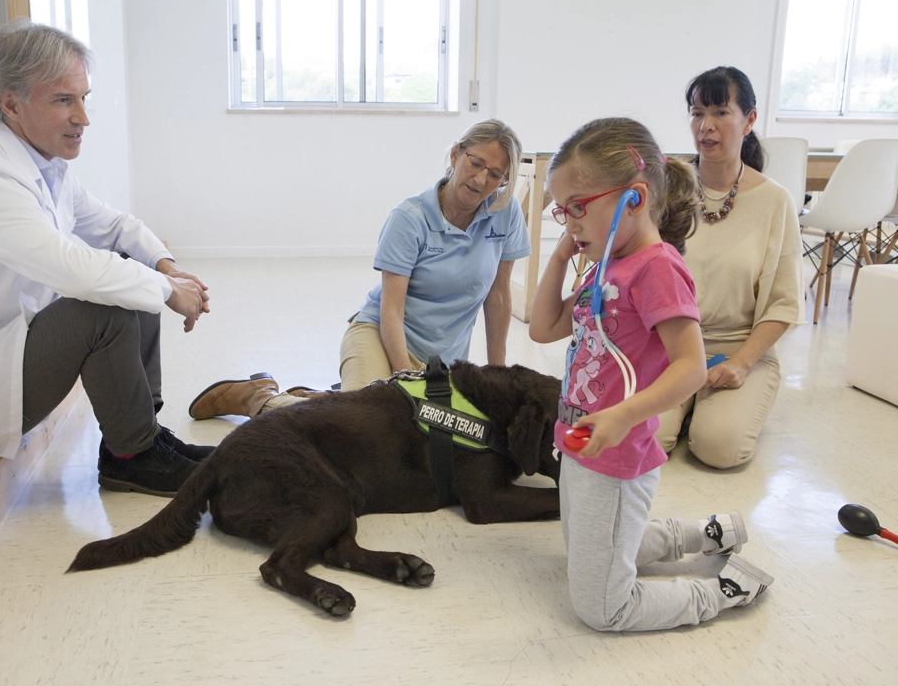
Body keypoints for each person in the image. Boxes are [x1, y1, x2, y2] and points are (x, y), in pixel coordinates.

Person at [0, 20, 213, 497]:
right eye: (64, 100)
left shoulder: (44, 165)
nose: (83, 117)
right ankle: (133, 455)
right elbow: (69, 267)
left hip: (3, 356)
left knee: (128, 265)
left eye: (83, 97)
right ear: (11, 104)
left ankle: (142, 435)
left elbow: (114, 225)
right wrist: (168, 292)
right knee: (103, 300)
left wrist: (167, 268)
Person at [528, 117, 773, 632]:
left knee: (601, 608)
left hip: (617, 453)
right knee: (588, 551)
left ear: (634, 199)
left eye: (579, 207)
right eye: (562, 210)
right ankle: (705, 533)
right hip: (581, 441)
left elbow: (689, 367)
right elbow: (544, 327)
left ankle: (723, 590)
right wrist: (559, 254)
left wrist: (623, 416)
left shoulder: (656, 267)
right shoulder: (605, 264)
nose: (569, 222)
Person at [188, 119, 531, 420]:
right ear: (456, 154)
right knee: (362, 425)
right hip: (383, 336)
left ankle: (334, 397)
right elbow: (391, 309)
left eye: (496, 175)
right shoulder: (410, 218)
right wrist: (404, 379)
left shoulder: (504, 212)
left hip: (442, 359)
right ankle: (259, 398)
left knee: (427, 435)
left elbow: (498, 295)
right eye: (476, 163)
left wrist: (496, 376)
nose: (481, 179)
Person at [655, 66, 803, 469]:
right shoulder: (671, 189)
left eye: (721, 112)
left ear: (749, 120)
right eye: (697, 112)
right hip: (671, 345)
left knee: (719, 449)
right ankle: (687, 408)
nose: (706, 126)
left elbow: (784, 304)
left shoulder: (776, 201)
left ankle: (713, 409)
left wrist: (741, 363)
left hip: (738, 349)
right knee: (648, 439)